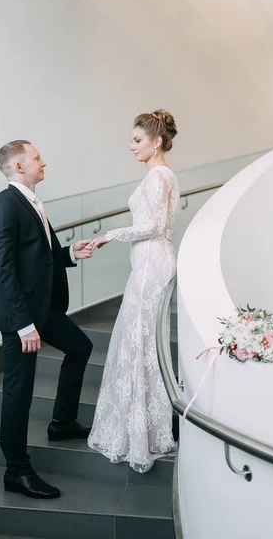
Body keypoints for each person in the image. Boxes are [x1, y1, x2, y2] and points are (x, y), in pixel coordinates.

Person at [0, 140, 93, 499]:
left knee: (80, 346)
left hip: (42, 308)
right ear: (19, 166)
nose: (43, 162)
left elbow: (38, 258)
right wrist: (23, 324)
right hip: (22, 317)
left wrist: (69, 253)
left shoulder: (30, 202)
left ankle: (61, 422)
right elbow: (3, 271)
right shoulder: (3, 206)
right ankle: (16, 471)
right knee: (18, 393)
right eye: (36, 158)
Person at [87, 109, 180, 473]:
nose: (132, 147)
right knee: (140, 342)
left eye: (138, 140)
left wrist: (108, 235)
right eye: (131, 140)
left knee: (141, 343)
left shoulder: (159, 175)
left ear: (157, 142)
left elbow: (152, 225)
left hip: (152, 263)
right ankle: (144, 429)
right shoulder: (162, 175)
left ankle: (144, 435)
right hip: (150, 262)